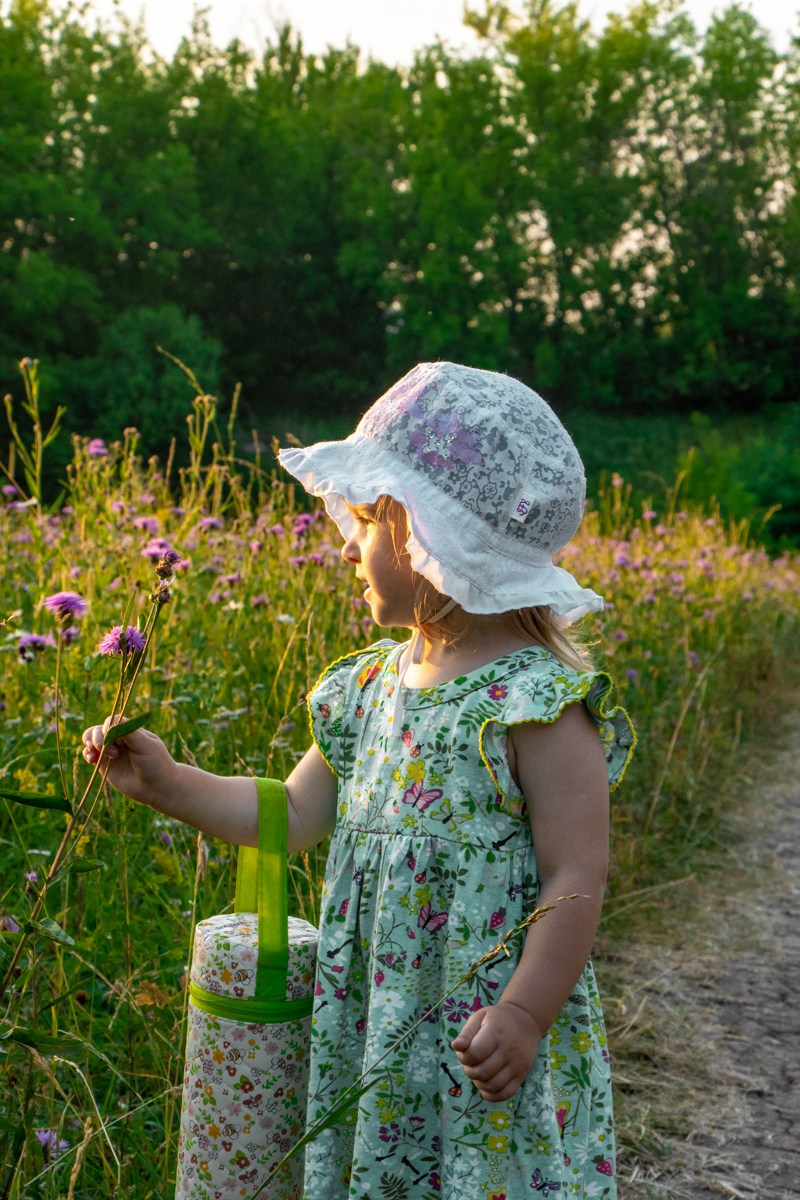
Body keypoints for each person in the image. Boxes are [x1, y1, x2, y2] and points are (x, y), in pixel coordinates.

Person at [83, 362, 635, 1200]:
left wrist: (525, 1013)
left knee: (482, 1173)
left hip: (480, 1036)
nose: (346, 544)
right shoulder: (369, 687)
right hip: (375, 1027)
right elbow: (293, 813)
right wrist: (171, 784)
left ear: (431, 535)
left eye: (369, 520)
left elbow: (575, 875)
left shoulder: (536, 705)